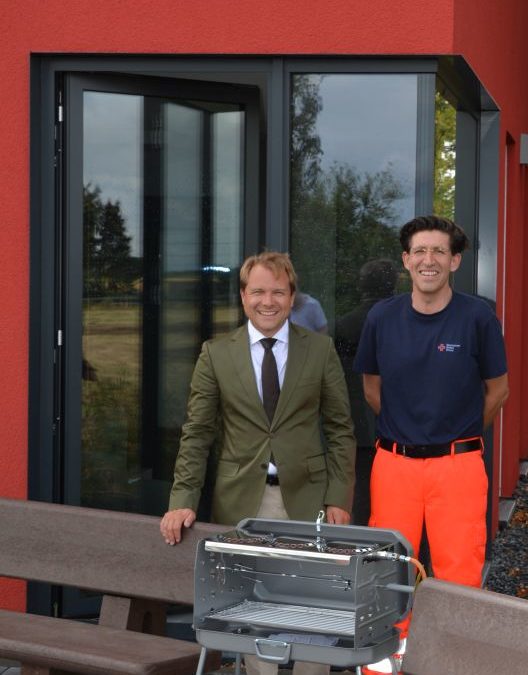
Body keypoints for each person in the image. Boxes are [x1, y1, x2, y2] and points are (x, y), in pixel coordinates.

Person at [160, 251, 356, 675]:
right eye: (259, 291)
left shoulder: (319, 350)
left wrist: (339, 496)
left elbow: (341, 429)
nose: (268, 301)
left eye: (278, 292)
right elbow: (197, 433)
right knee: (253, 615)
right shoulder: (216, 354)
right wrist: (182, 498)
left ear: (292, 297)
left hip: (309, 503)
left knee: (312, 614)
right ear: (244, 296)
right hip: (243, 502)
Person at [354, 215, 509, 673]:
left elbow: (497, 390)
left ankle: (453, 665)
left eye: (439, 251)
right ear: (406, 260)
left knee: (460, 576)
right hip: (394, 464)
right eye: (419, 251)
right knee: (388, 574)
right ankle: (383, 666)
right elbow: (371, 389)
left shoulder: (478, 317)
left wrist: (452, 434)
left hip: (457, 467)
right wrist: (410, 432)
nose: (429, 260)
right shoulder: (382, 317)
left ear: (455, 261)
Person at [334, 259, 398, 525]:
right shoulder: (404, 323)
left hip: (356, 421)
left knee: (361, 499)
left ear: (361, 285)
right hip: (399, 430)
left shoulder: (343, 326)